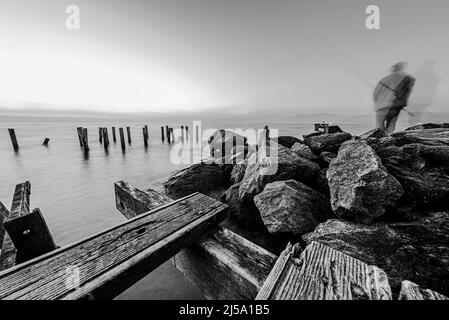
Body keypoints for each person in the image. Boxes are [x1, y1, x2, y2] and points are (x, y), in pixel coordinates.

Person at [373, 62, 415, 134]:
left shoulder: (384, 79)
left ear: (392, 69)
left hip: (381, 106)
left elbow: (375, 94)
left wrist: (378, 103)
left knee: (379, 127)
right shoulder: (407, 79)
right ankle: (388, 139)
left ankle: (381, 140)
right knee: (391, 125)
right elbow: (408, 88)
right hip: (395, 106)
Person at [408, 59, 442, 127]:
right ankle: (412, 127)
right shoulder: (424, 73)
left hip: (417, 99)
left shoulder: (422, 72)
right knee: (415, 114)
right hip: (418, 98)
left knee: (415, 115)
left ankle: (412, 127)